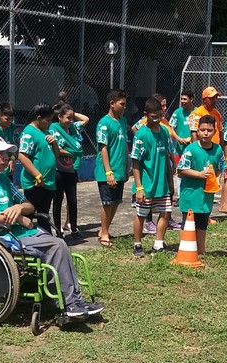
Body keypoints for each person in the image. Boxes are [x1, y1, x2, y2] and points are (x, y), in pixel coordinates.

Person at [0, 134, 104, 318]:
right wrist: (15, 218)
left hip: (21, 233)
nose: (6, 157)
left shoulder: (3, 179)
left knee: (57, 243)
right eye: (0, 153)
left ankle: (75, 301)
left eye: (7, 153)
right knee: (57, 246)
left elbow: (30, 206)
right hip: (1, 237)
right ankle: (70, 303)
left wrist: (19, 208)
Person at [130, 96, 175, 258]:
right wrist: (139, 187)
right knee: (141, 214)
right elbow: (135, 163)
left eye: (160, 115)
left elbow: (167, 158)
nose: (157, 119)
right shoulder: (141, 135)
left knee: (165, 213)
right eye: (153, 116)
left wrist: (171, 183)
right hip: (146, 186)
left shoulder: (164, 131)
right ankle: (137, 245)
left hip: (162, 185)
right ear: (146, 114)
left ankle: (158, 244)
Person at [177, 115, 223, 255]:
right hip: (190, 194)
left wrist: (217, 180)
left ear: (214, 132)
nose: (205, 133)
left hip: (206, 195)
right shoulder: (191, 149)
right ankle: (184, 250)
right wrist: (199, 175)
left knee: (203, 223)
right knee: (188, 223)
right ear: (197, 131)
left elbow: (219, 168)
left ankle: (201, 250)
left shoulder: (218, 150)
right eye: (202, 130)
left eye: (209, 130)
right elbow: (181, 169)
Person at [94, 89, 129, 248]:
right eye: (121, 104)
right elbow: (103, 148)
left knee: (115, 202)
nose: (124, 107)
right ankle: (104, 233)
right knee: (107, 202)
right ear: (112, 103)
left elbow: (125, 146)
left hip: (120, 170)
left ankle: (104, 230)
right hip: (107, 171)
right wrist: (108, 172)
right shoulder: (104, 123)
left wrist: (127, 167)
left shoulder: (122, 122)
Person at [48, 102, 88, 239]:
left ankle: (74, 228)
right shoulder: (54, 128)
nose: (71, 121)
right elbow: (56, 149)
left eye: (72, 118)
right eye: (68, 118)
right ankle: (58, 229)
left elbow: (86, 119)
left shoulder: (73, 128)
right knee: (58, 200)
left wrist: (71, 112)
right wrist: (72, 152)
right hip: (58, 170)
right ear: (59, 117)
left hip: (71, 170)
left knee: (73, 201)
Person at [17, 103, 60, 229]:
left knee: (44, 214)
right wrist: (37, 174)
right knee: (30, 213)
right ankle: (29, 240)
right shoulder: (29, 132)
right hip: (35, 183)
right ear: (39, 118)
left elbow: (56, 155)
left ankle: (45, 239)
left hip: (48, 182)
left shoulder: (46, 132)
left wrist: (55, 143)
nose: (49, 123)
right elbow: (22, 156)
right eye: (48, 120)